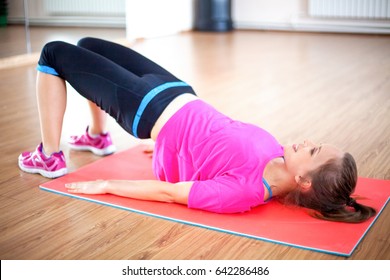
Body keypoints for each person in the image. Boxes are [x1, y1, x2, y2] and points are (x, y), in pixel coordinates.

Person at [18, 37, 376, 223]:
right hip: (175, 89)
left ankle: (50, 156)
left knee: (53, 53)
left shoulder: (243, 192)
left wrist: (108, 185)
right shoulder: (278, 153)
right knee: (87, 46)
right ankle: (97, 137)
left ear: (305, 182)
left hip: (146, 108)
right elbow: (218, 141)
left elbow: (170, 193)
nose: (309, 143)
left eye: (313, 152)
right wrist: (176, 149)